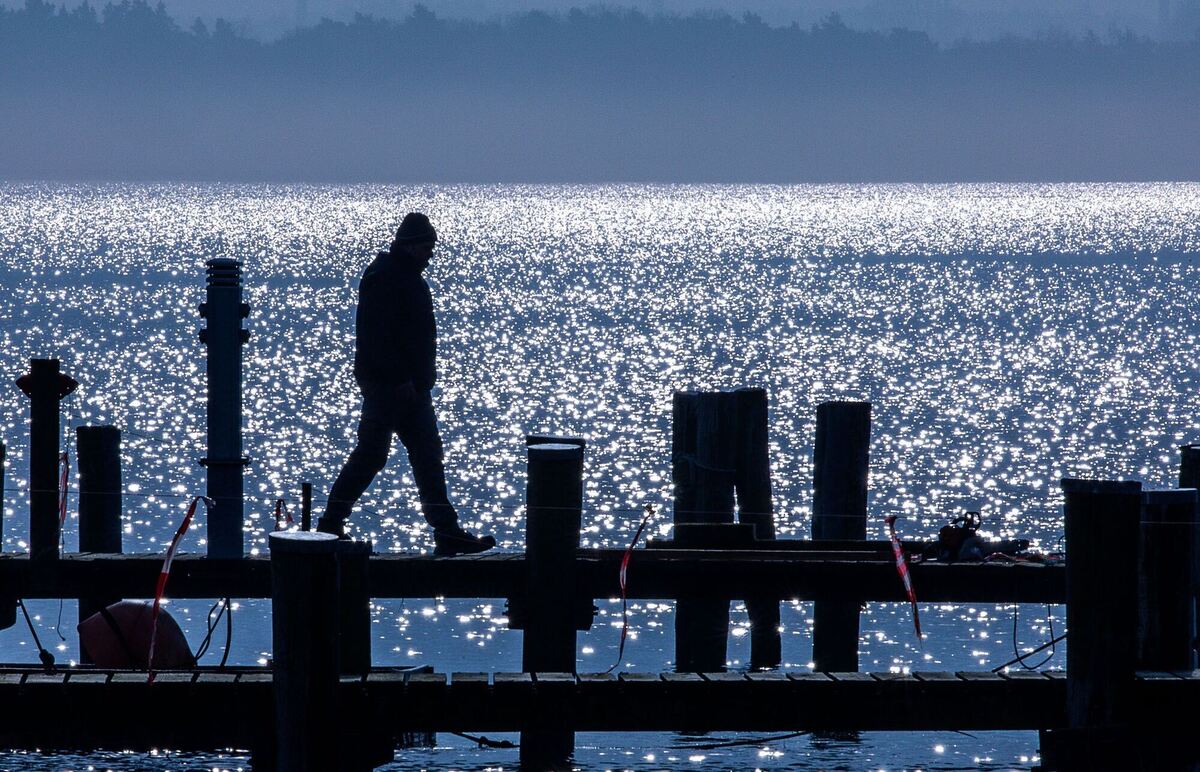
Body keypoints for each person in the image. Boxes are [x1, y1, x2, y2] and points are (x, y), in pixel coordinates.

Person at [318, 212, 495, 556]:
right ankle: (330, 524)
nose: (431, 254)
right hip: (391, 387)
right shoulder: (387, 277)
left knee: (426, 456)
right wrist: (399, 378)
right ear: (411, 245)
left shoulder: (402, 276)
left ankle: (446, 532)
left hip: (412, 388)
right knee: (373, 455)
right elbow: (377, 335)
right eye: (427, 247)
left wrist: (416, 380)